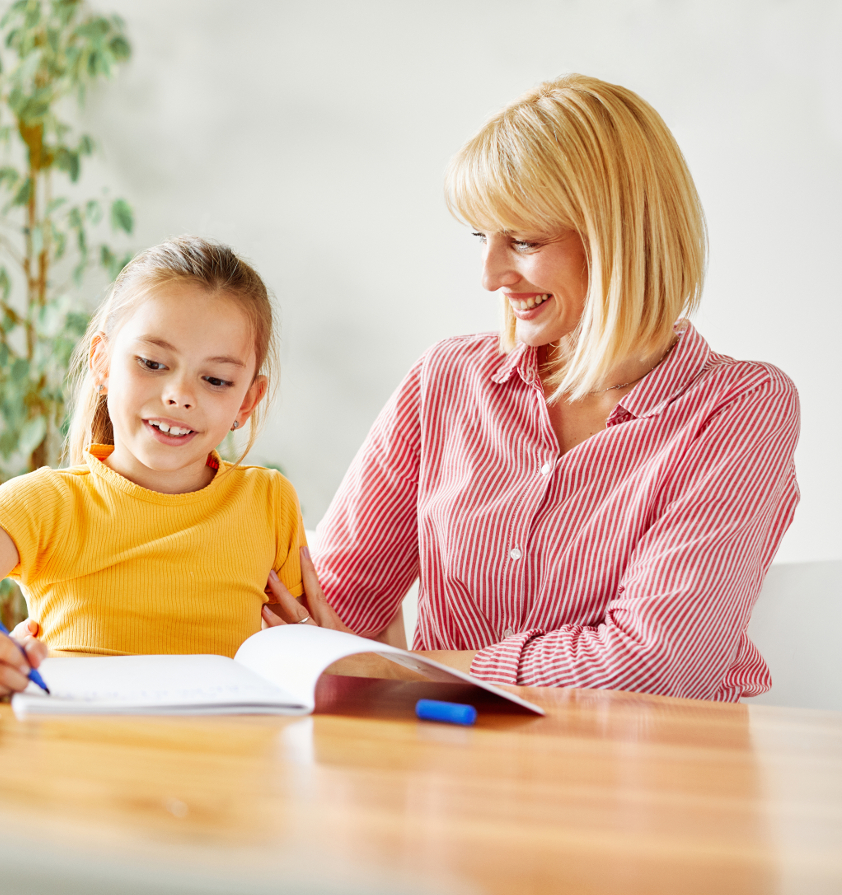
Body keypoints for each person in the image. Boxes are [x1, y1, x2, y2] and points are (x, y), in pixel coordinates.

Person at [265, 74, 799, 702]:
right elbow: (328, 602)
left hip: (649, 776)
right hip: (454, 762)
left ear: (617, 239)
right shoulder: (447, 382)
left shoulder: (739, 407)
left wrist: (419, 672)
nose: (491, 275)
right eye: (481, 238)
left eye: (523, 240)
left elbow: (653, 668)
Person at [0, 236, 306, 698]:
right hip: (70, 760)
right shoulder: (44, 504)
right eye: (153, 363)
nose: (179, 394)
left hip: (221, 762)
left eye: (215, 379)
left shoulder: (269, 503)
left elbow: (299, 658)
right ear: (102, 363)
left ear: (248, 401)